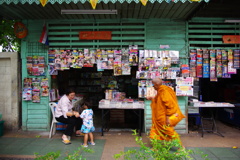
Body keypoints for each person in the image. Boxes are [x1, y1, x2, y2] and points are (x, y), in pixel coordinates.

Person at [147, 78, 185, 145]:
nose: (153, 86)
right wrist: (153, 99)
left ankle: (181, 148)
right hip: (158, 118)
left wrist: (168, 117)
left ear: (157, 84)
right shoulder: (161, 90)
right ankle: (156, 147)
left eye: (153, 85)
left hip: (163, 118)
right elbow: (159, 102)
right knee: (154, 131)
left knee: (169, 132)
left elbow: (170, 105)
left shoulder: (164, 91)